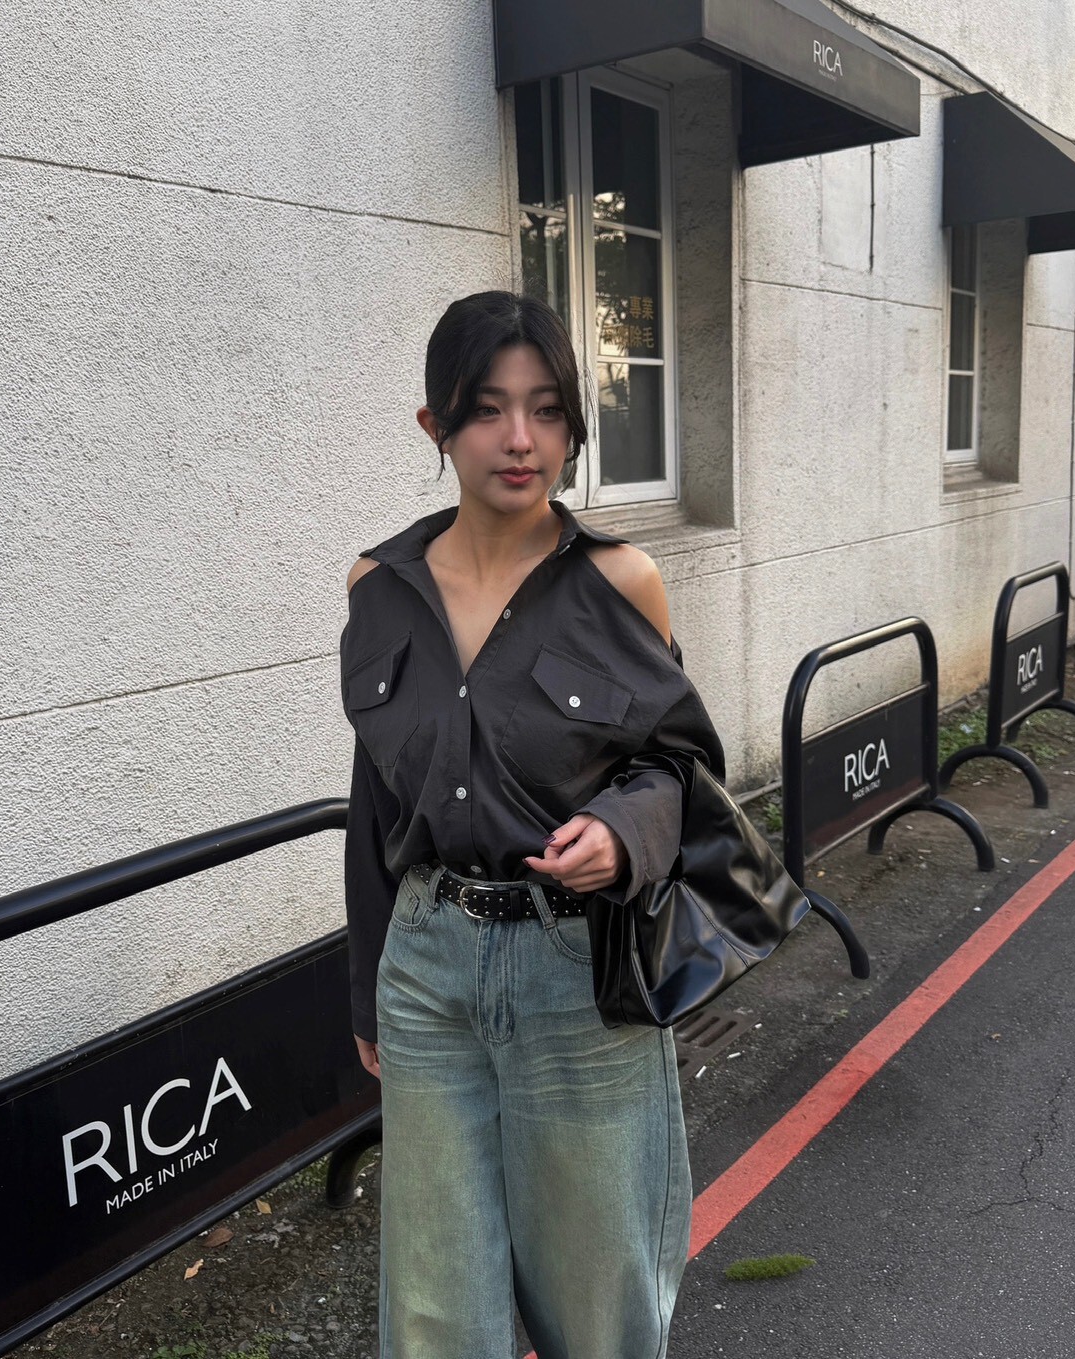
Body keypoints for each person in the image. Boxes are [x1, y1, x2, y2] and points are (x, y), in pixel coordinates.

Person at [340, 291, 724, 1359]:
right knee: (436, 1311)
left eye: (548, 409)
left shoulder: (619, 582)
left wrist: (623, 833)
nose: (520, 439)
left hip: (575, 968)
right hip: (427, 968)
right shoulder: (378, 589)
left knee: (599, 1304)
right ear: (436, 424)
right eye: (488, 409)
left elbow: (678, 765)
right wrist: (368, 987)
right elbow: (375, 804)